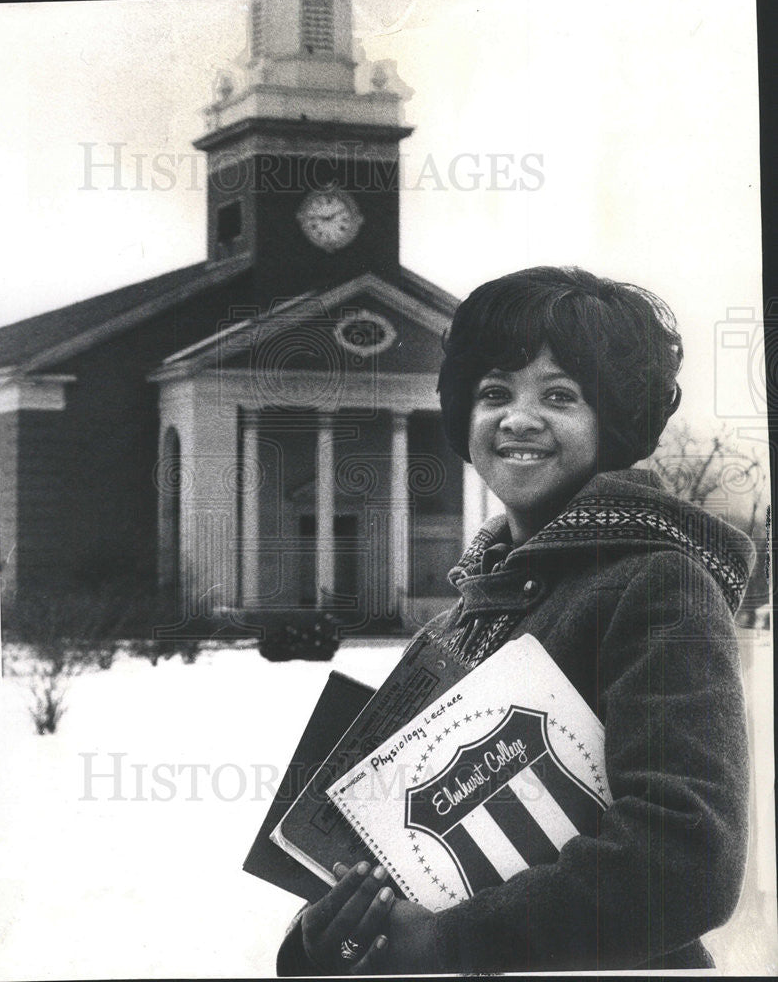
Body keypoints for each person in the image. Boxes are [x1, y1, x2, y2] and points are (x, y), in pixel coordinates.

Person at [276, 266, 755, 974]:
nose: (517, 417)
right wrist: (327, 938)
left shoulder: (656, 587)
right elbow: (384, 851)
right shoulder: (454, 628)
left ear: (615, 420)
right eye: (493, 392)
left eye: (559, 395)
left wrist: (447, 942)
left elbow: (682, 863)